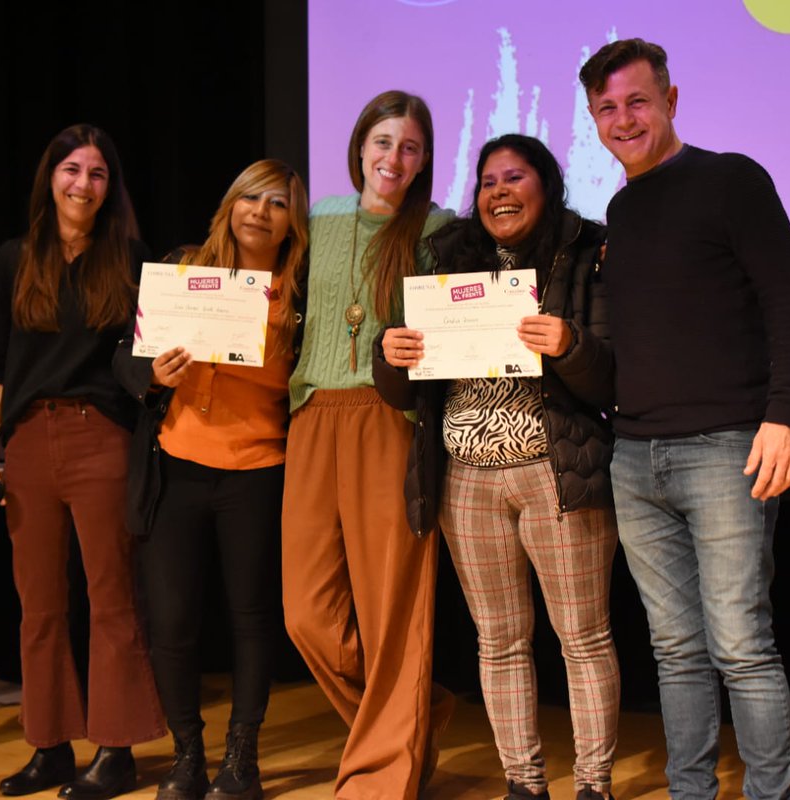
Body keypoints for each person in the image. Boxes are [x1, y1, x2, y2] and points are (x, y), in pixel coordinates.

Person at [580, 38, 790, 800]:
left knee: (741, 646)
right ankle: (691, 793)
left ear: (671, 100)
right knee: (676, 650)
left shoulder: (731, 180)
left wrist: (785, 415)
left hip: (726, 448)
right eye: (607, 108)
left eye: (637, 101)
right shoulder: (620, 210)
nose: (624, 119)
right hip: (633, 457)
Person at [374, 134, 621, 800]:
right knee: (501, 641)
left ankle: (593, 784)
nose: (500, 192)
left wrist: (568, 344)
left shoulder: (584, 254)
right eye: (488, 182)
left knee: (582, 637)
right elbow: (405, 387)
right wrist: (390, 355)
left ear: (546, 185)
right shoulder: (445, 259)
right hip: (466, 480)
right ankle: (524, 782)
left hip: (556, 473)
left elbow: (611, 379)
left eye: (515, 178)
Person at [0, 125, 164, 799]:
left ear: (111, 188)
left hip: (100, 436)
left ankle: (115, 750)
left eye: (98, 173)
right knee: (40, 606)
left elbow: (145, 358)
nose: (83, 184)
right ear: (50, 177)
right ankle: (49, 747)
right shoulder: (12, 260)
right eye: (72, 170)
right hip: (27, 442)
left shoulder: (129, 259)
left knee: (112, 598)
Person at [112, 159, 309, 800]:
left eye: (277, 204)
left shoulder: (300, 293)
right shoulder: (183, 268)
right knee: (171, 621)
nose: (261, 212)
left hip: (258, 471)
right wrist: (151, 375)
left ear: (293, 223)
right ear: (230, 205)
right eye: (251, 198)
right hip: (177, 465)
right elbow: (125, 354)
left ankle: (241, 759)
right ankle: (187, 757)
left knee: (251, 617)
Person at [280, 90, 455, 799]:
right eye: (384, 142)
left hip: (389, 419)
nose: (394, 158)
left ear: (424, 159)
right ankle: (416, 713)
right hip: (311, 414)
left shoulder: (439, 228)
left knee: (392, 613)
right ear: (359, 147)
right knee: (306, 615)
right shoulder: (316, 219)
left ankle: (381, 777)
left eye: (410, 147)